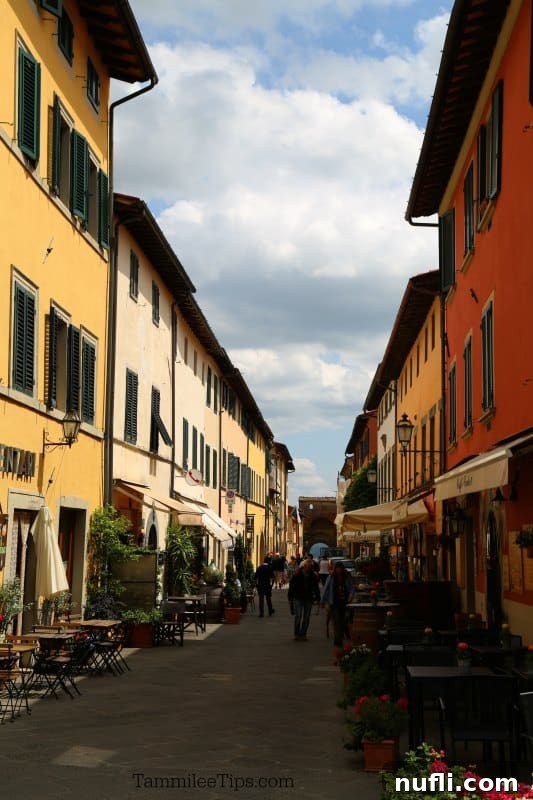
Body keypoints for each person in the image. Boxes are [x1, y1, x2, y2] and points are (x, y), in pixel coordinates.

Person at [288, 558, 320, 641]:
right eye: (308, 567)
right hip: (298, 597)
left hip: (308, 598)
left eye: (311, 567)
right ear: (304, 566)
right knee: (298, 616)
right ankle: (296, 633)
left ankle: (303, 634)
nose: (309, 568)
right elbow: (292, 586)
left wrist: (318, 598)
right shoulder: (297, 574)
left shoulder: (313, 576)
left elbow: (316, 588)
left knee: (306, 617)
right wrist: (290, 597)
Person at [322, 562, 354, 647]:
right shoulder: (331, 577)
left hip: (344, 603)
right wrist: (323, 601)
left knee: (343, 621)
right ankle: (338, 640)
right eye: (337, 568)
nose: (338, 570)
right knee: (337, 621)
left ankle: (338, 639)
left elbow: (351, 588)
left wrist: (351, 595)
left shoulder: (347, 577)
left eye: (340, 568)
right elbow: (326, 589)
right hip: (334, 602)